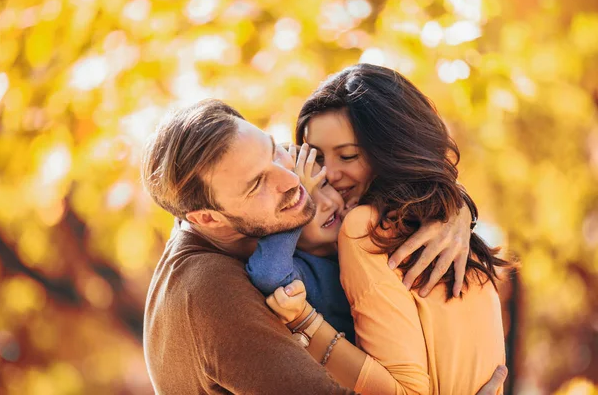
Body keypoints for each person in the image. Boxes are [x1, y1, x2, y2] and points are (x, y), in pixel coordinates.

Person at [140, 98, 508, 394]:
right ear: (206, 218)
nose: (291, 180)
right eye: (256, 184)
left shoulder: (244, 221)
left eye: (274, 151)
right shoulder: (211, 293)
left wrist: (452, 207)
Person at [265, 63, 511, 394]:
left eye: (348, 156)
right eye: (318, 160)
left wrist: (304, 322)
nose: (330, 175)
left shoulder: (364, 230)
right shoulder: (444, 216)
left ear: (390, 148)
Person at [246, 144, 356, 343]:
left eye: (323, 185)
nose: (327, 203)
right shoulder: (302, 270)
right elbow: (268, 274)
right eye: (300, 199)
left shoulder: (356, 225)